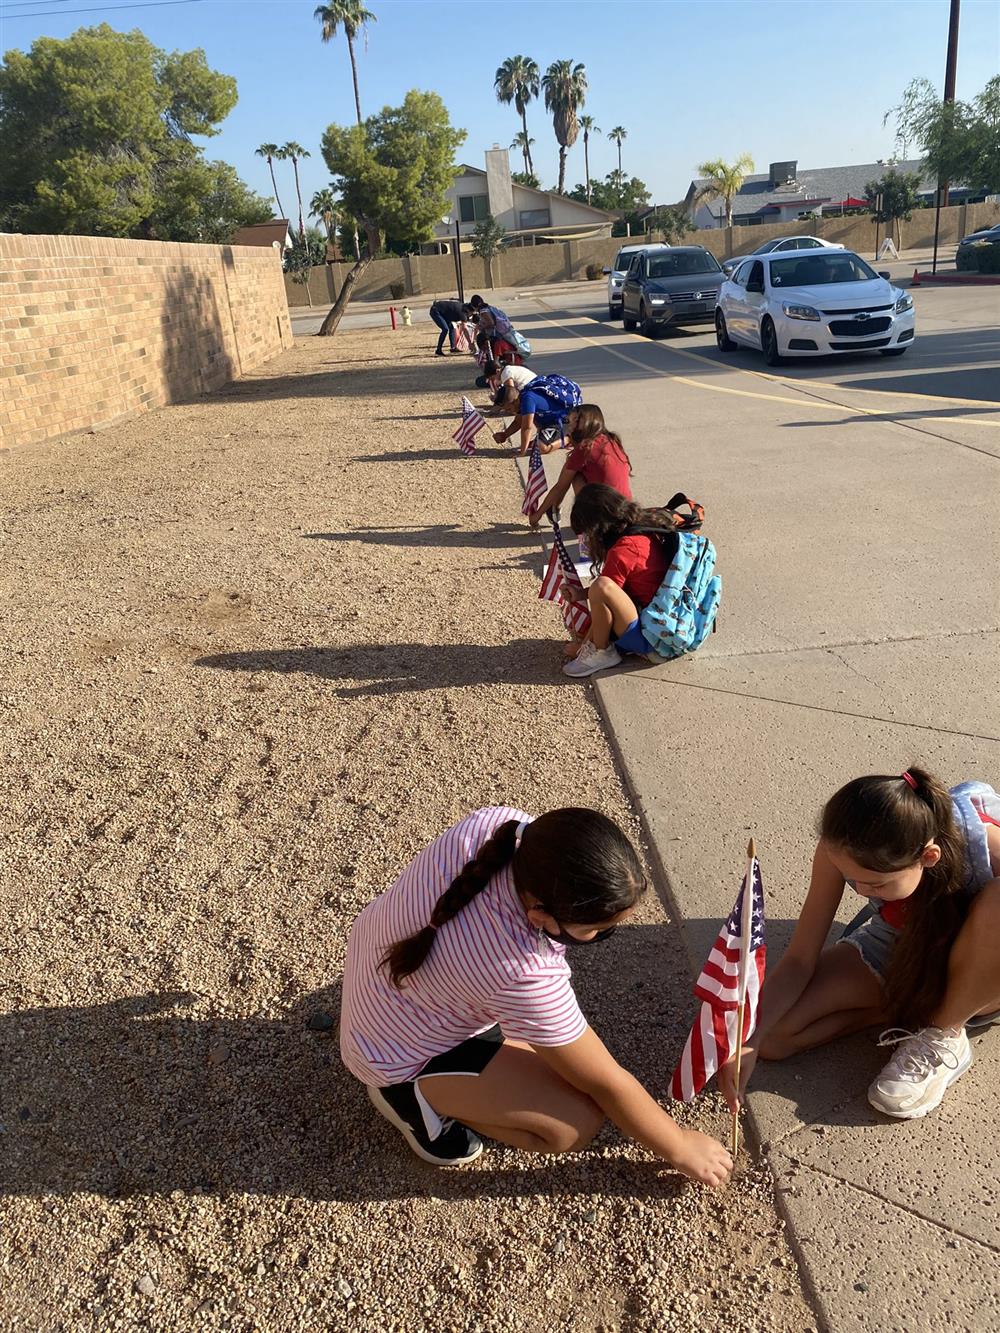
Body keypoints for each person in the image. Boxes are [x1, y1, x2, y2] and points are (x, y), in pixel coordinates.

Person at [340, 805, 733, 1184]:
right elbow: (607, 1083)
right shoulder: (523, 974)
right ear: (540, 917)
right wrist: (679, 1146)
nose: (600, 938)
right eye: (596, 930)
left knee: (555, 1063)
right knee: (572, 1124)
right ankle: (407, 1097)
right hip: (391, 1053)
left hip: (381, 983)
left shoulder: (500, 826)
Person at [718, 769, 1000, 1121]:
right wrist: (752, 1039)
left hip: (985, 957)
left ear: (928, 857)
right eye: (854, 880)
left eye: (876, 884)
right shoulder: (842, 849)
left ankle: (943, 1030)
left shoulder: (984, 845)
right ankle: (921, 1007)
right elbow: (800, 959)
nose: (863, 892)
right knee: (775, 1036)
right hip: (905, 939)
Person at [562, 484, 675, 678]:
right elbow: (615, 590)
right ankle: (601, 648)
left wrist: (582, 647)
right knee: (602, 586)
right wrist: (580, 593)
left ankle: (601, 653)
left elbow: (604, 591)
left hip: (653, 642)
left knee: (601, 584)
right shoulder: (643, 528)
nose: (586, 540)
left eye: (587, 533)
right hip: (666, 629)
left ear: (598, 526)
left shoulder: (624, 549)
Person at [529, 405, 633, 528]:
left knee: (575, 475)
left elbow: (560, 487)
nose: (569, 426)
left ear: (586, 423)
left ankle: (558, 510)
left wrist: (536, 516)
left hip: (604, 519)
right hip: (627, 512)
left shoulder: (585, 448)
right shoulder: (612, 440)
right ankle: (554, 508)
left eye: (573, 421)